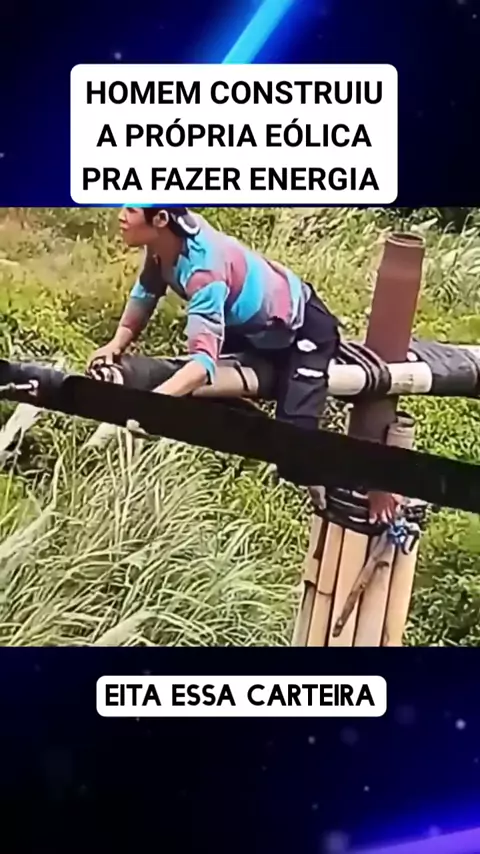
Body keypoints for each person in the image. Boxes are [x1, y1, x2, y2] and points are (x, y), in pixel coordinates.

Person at [88, 205, 399, 523]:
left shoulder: (204, 271)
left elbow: (202, 366)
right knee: (212, 403)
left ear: (160, 220)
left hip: (303, 331)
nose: (121, 215)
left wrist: (149, 406)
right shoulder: (165, 243)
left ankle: (375, 479)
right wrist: (116, 344)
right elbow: (146, 292)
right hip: (253, 332)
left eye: (131, 209)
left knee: (293, 450)